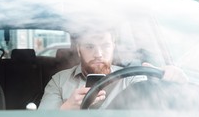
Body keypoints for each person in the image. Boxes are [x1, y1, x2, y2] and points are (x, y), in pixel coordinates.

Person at [39, 30, 188, 110]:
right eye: (90, 46)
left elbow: (153, 110)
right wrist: (67, 108)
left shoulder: (132, 77)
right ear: (79, 50)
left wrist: (171, 82)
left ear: (113, 47)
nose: (98, 54)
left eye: (105, 46)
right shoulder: (59, 80)